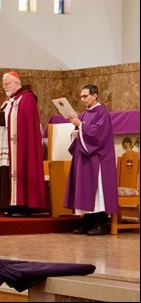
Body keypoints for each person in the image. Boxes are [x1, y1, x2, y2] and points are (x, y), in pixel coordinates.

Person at [0, 71, 46, 216]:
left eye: (7, 84)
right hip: (5, 143)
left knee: (19, 171)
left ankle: (21, 206)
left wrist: (1, 115)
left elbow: (22, 118)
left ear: (16, 83)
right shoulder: (7, 101)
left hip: (20, 146)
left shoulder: (27, 97)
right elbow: (6, 118)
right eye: (3, 84)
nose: (4, 87)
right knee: (5, 170)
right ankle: (7, 206)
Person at [64, 84, 118, 236]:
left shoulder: (102, 112)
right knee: (86, 189)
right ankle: (88, 222)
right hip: (85, 158)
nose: (82, 99)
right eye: (81, 96)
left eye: (85, 96)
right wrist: (76, 131)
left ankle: (101, 223)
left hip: (98, 159)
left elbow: (97, 134)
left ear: (95, 96)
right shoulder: (85, 113)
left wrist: (80, 125)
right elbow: (82, 131)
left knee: (97, 191)